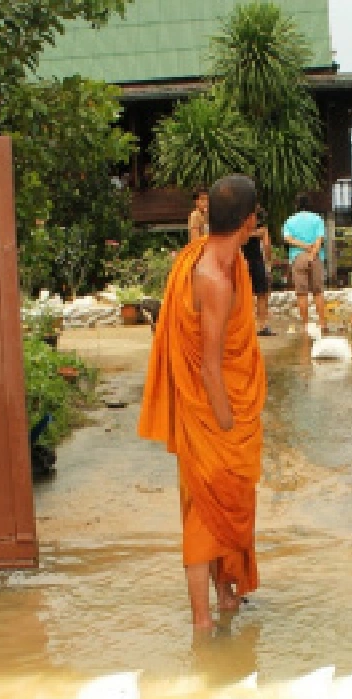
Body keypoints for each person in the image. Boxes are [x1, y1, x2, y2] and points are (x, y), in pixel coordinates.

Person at [139, 174, 267, 631]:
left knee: (221, 507)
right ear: (250, 221)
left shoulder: (209, 258)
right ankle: (201, 622)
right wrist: (230, 426)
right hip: (211, 412)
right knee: (203, 510)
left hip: (217, 404)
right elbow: (211, 366)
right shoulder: (212, 276)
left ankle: (225, 596)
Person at [282, 194, 328, 333]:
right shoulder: (317, 219)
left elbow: (288, 239)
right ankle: (322, 323)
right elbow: (319, 239)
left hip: (297, 257)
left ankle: (306, 325)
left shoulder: (290, 220)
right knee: (318, 292)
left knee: (302, 294)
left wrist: (303, 246)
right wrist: (312, 253)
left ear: (297, 205)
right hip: (315, 257)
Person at [242, 206, 274, 336]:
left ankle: (246, 327)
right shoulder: (262, 229)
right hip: (257, 262)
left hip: (242, 262)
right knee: (262, 294)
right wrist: (268, 262)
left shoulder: (240, 227)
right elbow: (267, 246)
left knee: (245, 295)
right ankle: (262, 325)